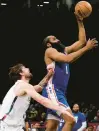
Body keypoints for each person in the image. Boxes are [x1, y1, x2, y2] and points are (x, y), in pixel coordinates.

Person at [42, 13, 98, 131]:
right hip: (53, 89)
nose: (57, 39)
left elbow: (81, 41)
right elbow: (69, 59)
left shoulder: (65, 51)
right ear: (48, 44)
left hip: (59, 91)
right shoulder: (50, 50)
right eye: (53, 38)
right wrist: (86, 49)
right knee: (70, 119)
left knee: (52, 127)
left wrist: (80, 21)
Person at [0, 63, 72, 131]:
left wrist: (49, 75)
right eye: (25, 68)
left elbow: (39, 87)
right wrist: (61, 108)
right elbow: (42, 100)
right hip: (7, 127)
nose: (28, 68)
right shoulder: (22, 85)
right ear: (21, 73)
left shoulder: (23, 87)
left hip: (13, 126)